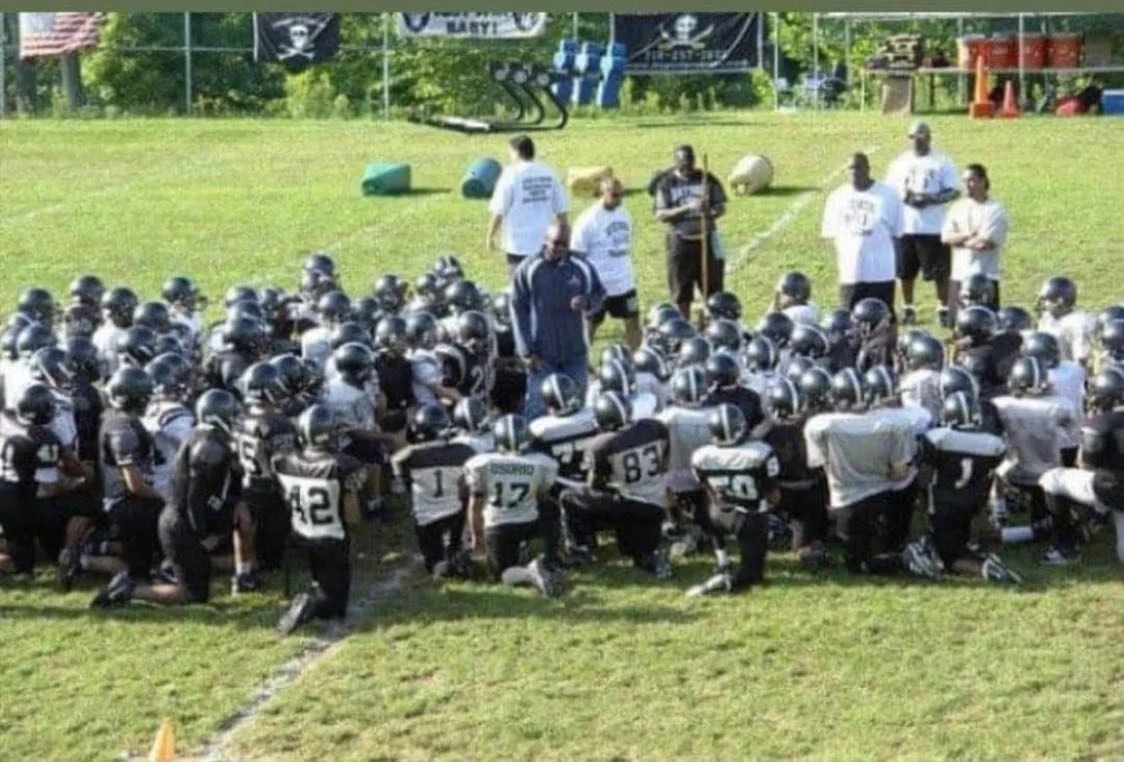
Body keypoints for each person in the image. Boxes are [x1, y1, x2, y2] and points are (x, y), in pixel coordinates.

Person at [273, 405, 367, 635]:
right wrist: (355, 530)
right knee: (336, 607)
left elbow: (285, 498)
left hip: (301, 533)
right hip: (332, 536)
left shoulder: (283, 461)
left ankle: (317, 596)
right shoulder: (343, 465)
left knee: (322, 579)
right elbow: (352, 514)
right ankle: (311, 608)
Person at [559, 391, 671, 577]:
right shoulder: (655, 427)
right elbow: (665, 465)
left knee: (570, 496)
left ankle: (582, 545)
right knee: (636, 550)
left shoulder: (601, 444)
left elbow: (593, 486)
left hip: (629, 505)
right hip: (657, 506)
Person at [510, 221, 605, 421]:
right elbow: (518, 308)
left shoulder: (581, 266)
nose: (559, 248)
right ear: (545, 240)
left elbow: (600, 294)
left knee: (577, 406)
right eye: (555, 242)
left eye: (564, 244)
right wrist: (526, 351)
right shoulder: (529, 268)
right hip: (542, 356)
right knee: (537, 408)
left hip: (575, 353)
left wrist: (587, 302)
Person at [688, 403, 782, 596]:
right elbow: (772, 493)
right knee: (753, 575)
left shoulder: (701, 456)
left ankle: (722, 559)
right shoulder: (761, 452)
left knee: (709, 507)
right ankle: (718, 584)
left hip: (718, 513)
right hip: (750, 518)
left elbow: (706, 487)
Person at [464, 414, 561, 596]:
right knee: (549, 505)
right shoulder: (542, 462)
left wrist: (477, 536)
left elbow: (475, 504)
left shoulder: (482, 464)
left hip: (498, 527)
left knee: (502, 574)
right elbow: (542, 494)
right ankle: (551, 554)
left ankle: (530, 573)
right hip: (530, 522)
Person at [884, 121, 961, 327]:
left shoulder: (942, 161)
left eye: (921, 136)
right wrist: (906, 198)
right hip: (905, 225)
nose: (917, 141)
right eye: (913, 137)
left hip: (933, 226)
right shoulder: (899, 163)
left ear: (929, 137)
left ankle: (942, 307)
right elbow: (889, 190)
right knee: (905, 272)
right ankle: (908, 307)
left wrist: (931, 199)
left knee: (940, 272)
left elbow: (954, 190)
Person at [392, 405, 477, 580]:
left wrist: (404, 481)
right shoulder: (464, 451)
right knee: (455, 547)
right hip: (456, 515)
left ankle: (443, 564)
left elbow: (396, 459)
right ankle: (457, 557)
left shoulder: (411, 455)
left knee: (435, 563)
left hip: (426, 518)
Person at [821, 152, 904, 315]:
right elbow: (830, 234)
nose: (854, 172)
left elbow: (897, 232)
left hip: (881, 272)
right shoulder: (837, 197)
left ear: (868, 168)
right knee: (851, 316)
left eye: (858, 167)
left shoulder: (888, 195)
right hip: (851, 272)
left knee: (885, 315)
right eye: (850, 168)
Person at [653, 144, 728, 319]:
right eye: (683, 164)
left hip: (707, 239)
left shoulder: (707, 179)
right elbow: (661, 214)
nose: (688, 168)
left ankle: (711, 324)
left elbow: (721, 207)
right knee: (681, 290)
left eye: (690, 163)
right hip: (680, 241)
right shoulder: (666, 184)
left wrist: (709, 212)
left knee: (713, 288)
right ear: (676, 162)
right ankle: (684, 325)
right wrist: (688, 208)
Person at [571, 177, 641, 351]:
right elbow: (576, 254)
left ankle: (636, 359)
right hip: (598, 286)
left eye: (621, 195)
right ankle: (583, 360)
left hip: (624, 283)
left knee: (633, 322)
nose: (619, 199)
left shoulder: (624, 214)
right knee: (590, 325)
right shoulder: (588, 220)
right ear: (602, 193)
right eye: (614, 195)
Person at [486, 134, 569, 277]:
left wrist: (490, 236)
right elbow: (561, 209)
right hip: (545, 243)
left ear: (517, 152)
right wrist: (564, 236)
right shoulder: (548, 173)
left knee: (520, 286)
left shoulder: (510, 175)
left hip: (518, 245)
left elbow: (499, 210)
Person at [941, 163, 1009, 323]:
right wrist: (969, 235)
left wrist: (959, 241)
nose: (967, 185)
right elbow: (946, 238)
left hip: (984, 279)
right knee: (956, 325)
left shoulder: (994, 210)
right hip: (958, 277)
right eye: (964, 181)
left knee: (985, 324)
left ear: (983, 181)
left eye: (971, 180)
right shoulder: (957, 208)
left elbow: (984, 244)